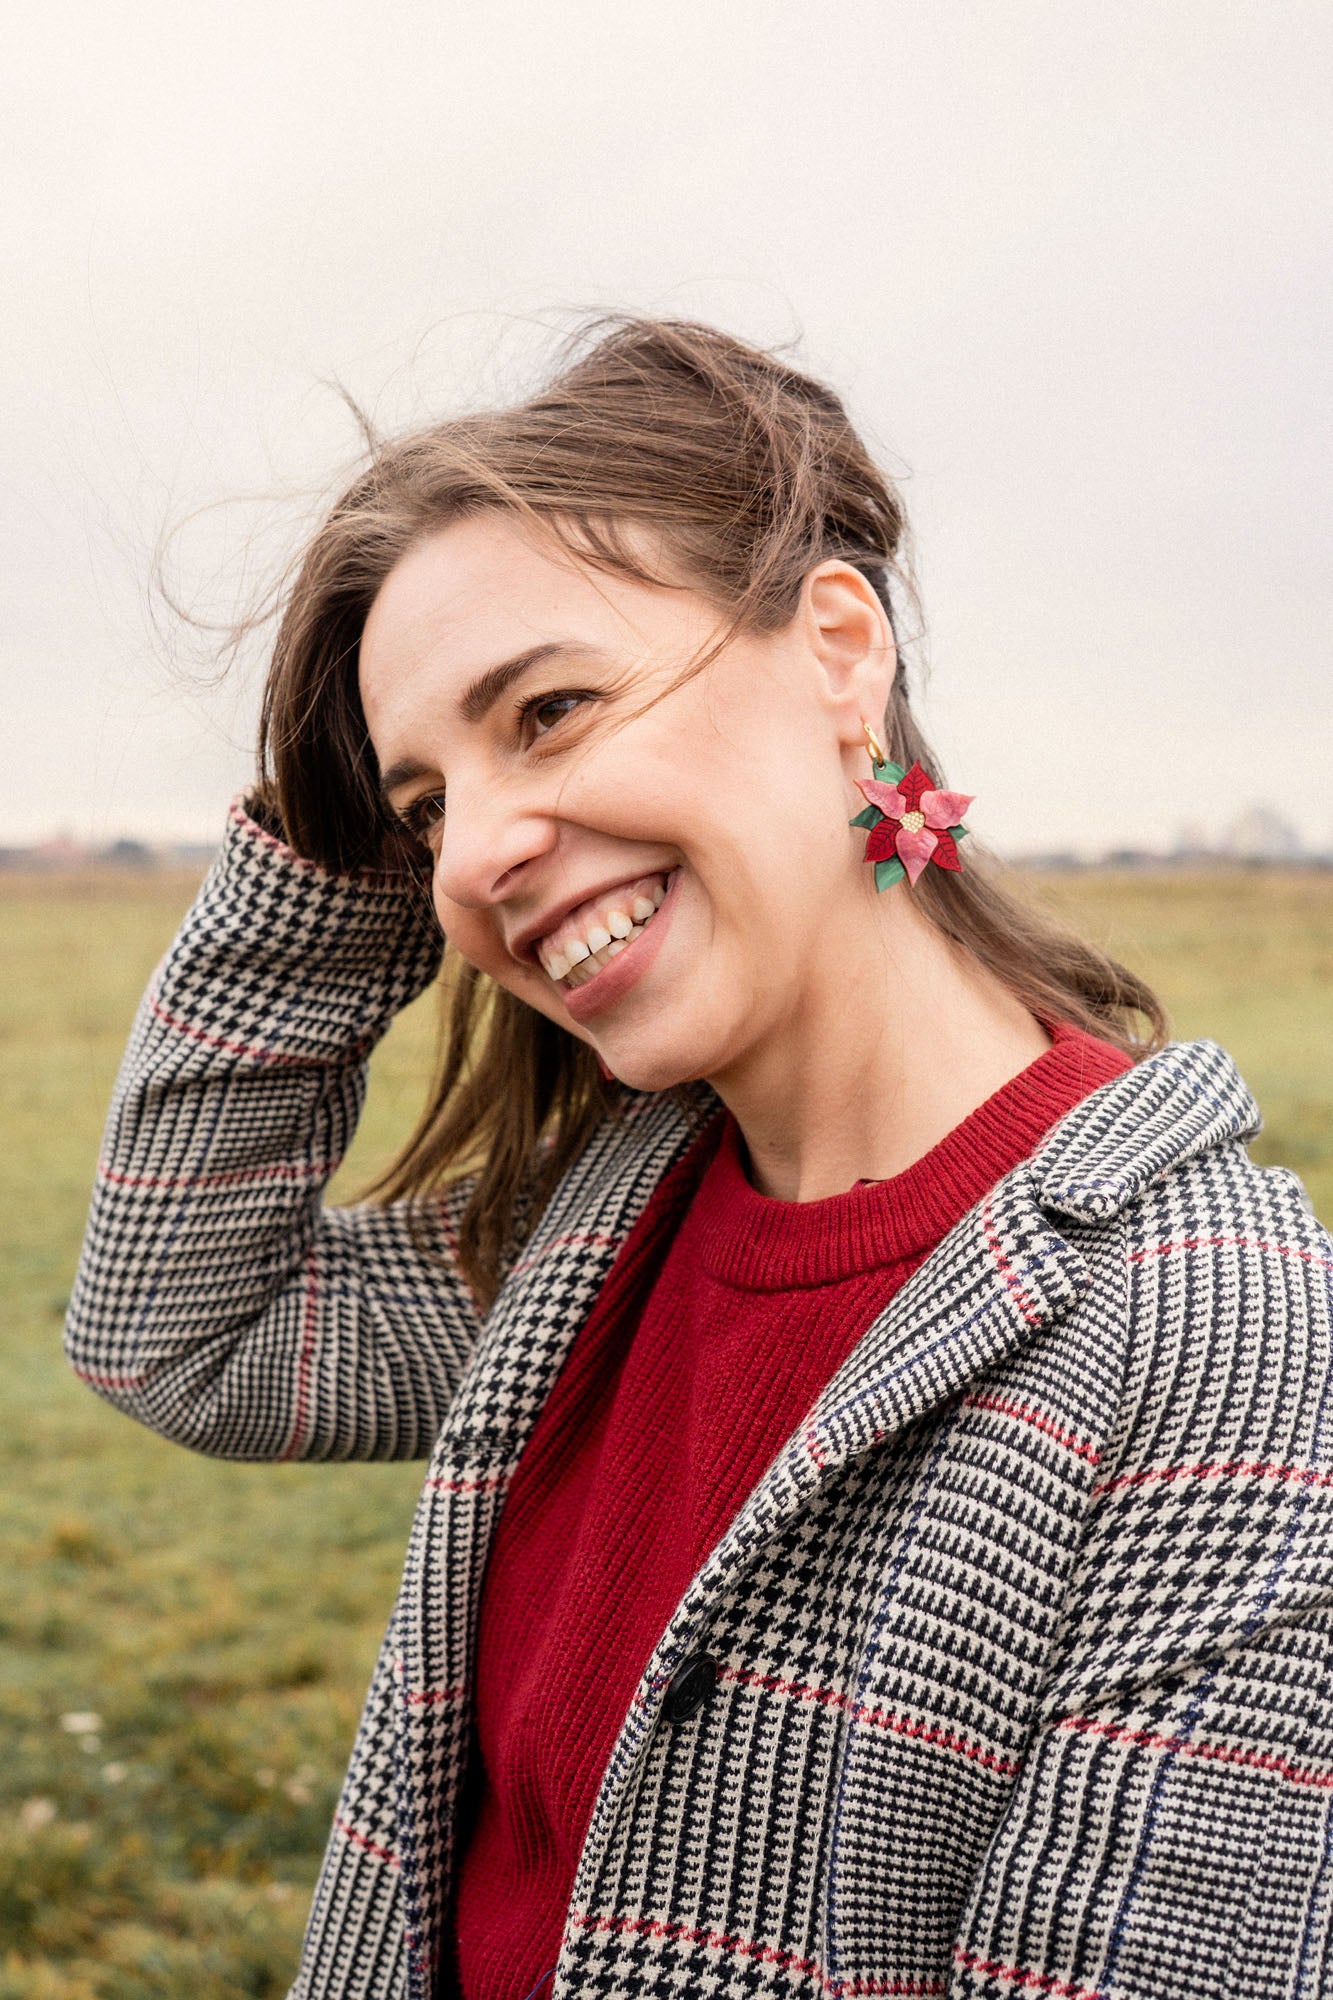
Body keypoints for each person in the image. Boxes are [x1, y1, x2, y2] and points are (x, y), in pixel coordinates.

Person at [67, 317, 1333, 2000]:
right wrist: (332, 850)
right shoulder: (599, 1232)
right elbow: (182, 1337)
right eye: (427, 806)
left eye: (552, 708)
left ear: (834, 651)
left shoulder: (1222, 1347)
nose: (476, 860)